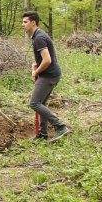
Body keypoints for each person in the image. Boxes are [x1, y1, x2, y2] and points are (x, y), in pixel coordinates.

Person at [23, 11, 68, 140]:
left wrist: (36, 71)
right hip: (51, 73)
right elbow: (47, 57)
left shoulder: (39, 38)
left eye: (25, 22)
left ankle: (60, 126)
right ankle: (43, 134)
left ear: (33, 23)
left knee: (35, 103)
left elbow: (47, 60)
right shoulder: (39, 35)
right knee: (41, 102)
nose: (23, 25)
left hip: (49, 75)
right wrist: (36, 64)